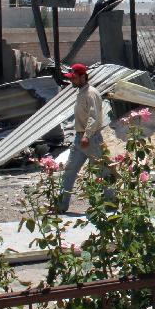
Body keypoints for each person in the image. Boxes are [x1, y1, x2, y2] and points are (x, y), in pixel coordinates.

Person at [58, 63, 104, 213]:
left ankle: (111, 203)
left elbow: (94, 117)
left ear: (83, 77)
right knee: (70, 170)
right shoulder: (81, 92)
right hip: (80, 138)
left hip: (90, 138)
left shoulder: (91, 93)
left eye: (74, 78)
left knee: (101, 171)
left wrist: (87, 135)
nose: (72, 81)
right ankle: (61, 205)